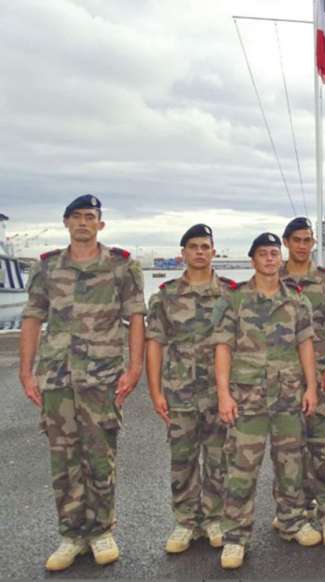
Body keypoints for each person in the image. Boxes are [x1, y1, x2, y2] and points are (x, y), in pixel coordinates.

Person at [19, 195, 145, 571]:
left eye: (90, 217)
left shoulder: (122, 267)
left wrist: (134, 367)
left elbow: (136, 318)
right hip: (56, 375)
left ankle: (102, 529)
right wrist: (26, 371)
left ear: (100, 225)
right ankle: (71, 534)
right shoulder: (47, 268)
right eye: (77, 216)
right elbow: (32, 317)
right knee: (63, 457)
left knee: (100, 453)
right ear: (66, 223)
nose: (83, 222)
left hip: (102, 376)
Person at [212, 232, 320, 569]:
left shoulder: (297, 300)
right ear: (253, 260)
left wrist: (311, 388)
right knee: (242, 469)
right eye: (263, 253)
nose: (270, 259)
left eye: (274, 253)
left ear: (280, 257)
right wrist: (223, 394)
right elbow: (222, 348)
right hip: (248, 399)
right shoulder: (234, 300)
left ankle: (291, 521)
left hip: (288, 395)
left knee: (291, 462)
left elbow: (305, 346)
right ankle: (235, 536)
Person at [145, 224, 237, 553]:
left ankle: (213, 518)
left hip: (219, 391)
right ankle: (185, 521)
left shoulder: (231, 293)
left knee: (218, 456)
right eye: (193, 247)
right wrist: (154, 391)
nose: (199, 252)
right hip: (179, 389)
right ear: (182, 253)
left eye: (205, 246)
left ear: (214, 251)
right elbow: (154, 344)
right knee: (182, 458)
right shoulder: (165, 295)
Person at [279, 216, 325, 547]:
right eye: (298, 240)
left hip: (318, 375)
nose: (303, 246)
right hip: (281, 378)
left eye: (308, 240)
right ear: (286, 242)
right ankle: (293, 511)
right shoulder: (270, 278)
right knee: (288, 448)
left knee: (323, 443)